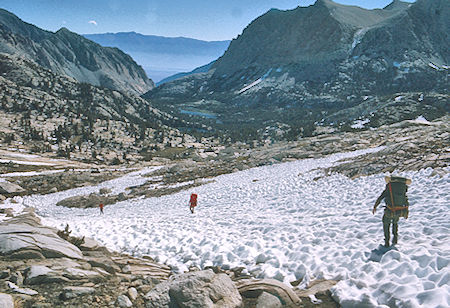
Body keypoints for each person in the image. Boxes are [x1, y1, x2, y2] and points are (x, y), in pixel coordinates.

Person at [372, 176, 411, 247]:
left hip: (389, 210)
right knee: (395, 223)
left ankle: (387, 241)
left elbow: (381, 197)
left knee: (386, 224)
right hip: (399, 210)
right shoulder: (403, 188)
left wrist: (375, 206)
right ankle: (395, 238)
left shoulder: (389, 187)